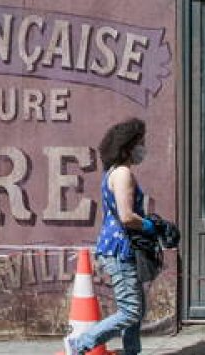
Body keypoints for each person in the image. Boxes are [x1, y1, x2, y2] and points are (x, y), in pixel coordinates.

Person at [66, 118, 154, 355]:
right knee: (131, 311)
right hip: (121, 249)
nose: (143, 148)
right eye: (140, 143)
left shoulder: (113, 172)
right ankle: (79, 344)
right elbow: (126, 216)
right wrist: (150, 225)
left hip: (121, 247)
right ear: (127, 147)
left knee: (136, 311)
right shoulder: (123, 173)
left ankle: (131, 352)